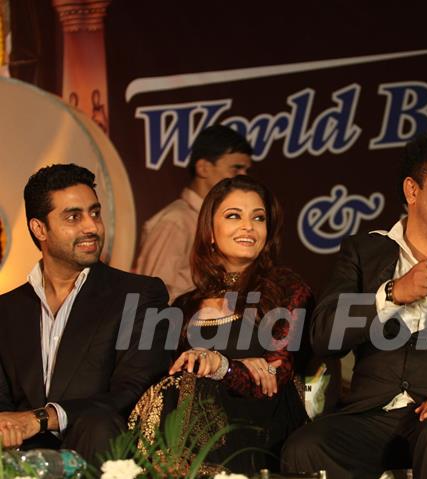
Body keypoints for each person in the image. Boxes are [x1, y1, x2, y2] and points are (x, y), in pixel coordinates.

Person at [282, 133, 427, 479]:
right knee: (305, 449)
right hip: (370, 413)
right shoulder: (364, 250)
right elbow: (323, 335)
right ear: (412, 190)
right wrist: (391, 295)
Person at [129, 175, 312, 475]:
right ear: (210, 232)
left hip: (266, 419)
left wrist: (223, 366)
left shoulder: (287, 289)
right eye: (233, 216)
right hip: (199, 428)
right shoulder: (185, 306)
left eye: (258, 218)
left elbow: (277, 375)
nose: (248, 227)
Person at [0, 164, 170, 463]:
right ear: (40, 229)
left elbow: (137, 390)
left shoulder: (141, 294)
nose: (92, 227)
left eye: (95, 213)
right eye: (73, 217)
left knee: (98, 425)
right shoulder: (6, 310)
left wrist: (43, 418)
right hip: (21, 459)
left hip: (98, 448)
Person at [135, 125, 253, 302]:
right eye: (236, 169)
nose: (243, 177)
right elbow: (151, 298)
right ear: (203, 168)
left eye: (246, 171)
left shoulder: (220, 221)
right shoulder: (175, 222)